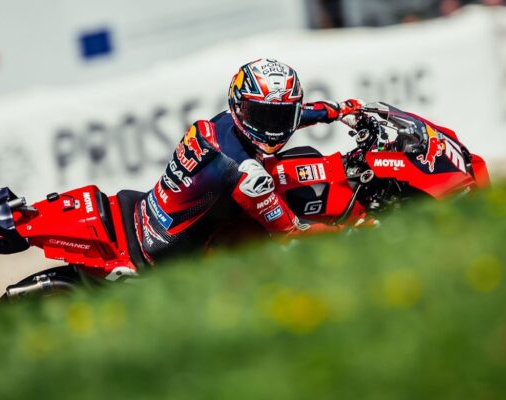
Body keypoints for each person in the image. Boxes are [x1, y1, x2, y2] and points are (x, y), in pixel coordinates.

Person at [133, 58, 364, 265]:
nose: (272, 129)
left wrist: (339, 110)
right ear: (237, 105)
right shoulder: (246, 173)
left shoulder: (222, 123)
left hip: (156, 217)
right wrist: (355, 232)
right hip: (177, 250)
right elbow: (292, 234)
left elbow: (289, 113)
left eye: (280, 118)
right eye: (261, 116)